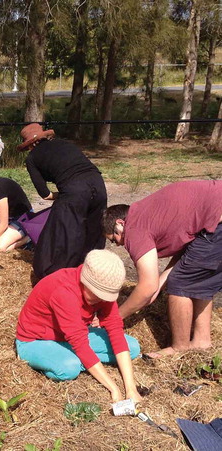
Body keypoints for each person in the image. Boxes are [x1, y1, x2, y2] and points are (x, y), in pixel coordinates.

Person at [102, 180, 222, 358]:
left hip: (217, 220)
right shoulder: (147, 214)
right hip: (215, 216)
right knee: (197, 277)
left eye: (114, 239)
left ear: (120, 223)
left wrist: (115, 318)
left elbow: (147, 287)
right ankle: (201, 341)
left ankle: (179, 347)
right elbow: (184, 259)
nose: (118, 244)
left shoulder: (134, 229)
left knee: (181, 284)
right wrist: (156, 287)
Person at [16, 250, 142, 404]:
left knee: (132, 347)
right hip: (35, 341)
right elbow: (79, 342)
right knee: (70, 367)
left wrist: (131, 389)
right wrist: (114, 388)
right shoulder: (64, 292)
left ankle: (85, 360)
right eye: (97, 294)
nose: (102, 300)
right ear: (85, 281)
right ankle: (80, 360)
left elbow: (115, 328)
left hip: (69, 335)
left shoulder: (105, 285)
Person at [18, 123, 107, 279]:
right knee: (93, 233)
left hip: (74, 190)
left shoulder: (32, 158)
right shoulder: (65, 143)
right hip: (98, 184)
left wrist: (62, 195)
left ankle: (54, 277)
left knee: (63, 234)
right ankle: (91, 275)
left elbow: (44, 194)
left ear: (30, 145)